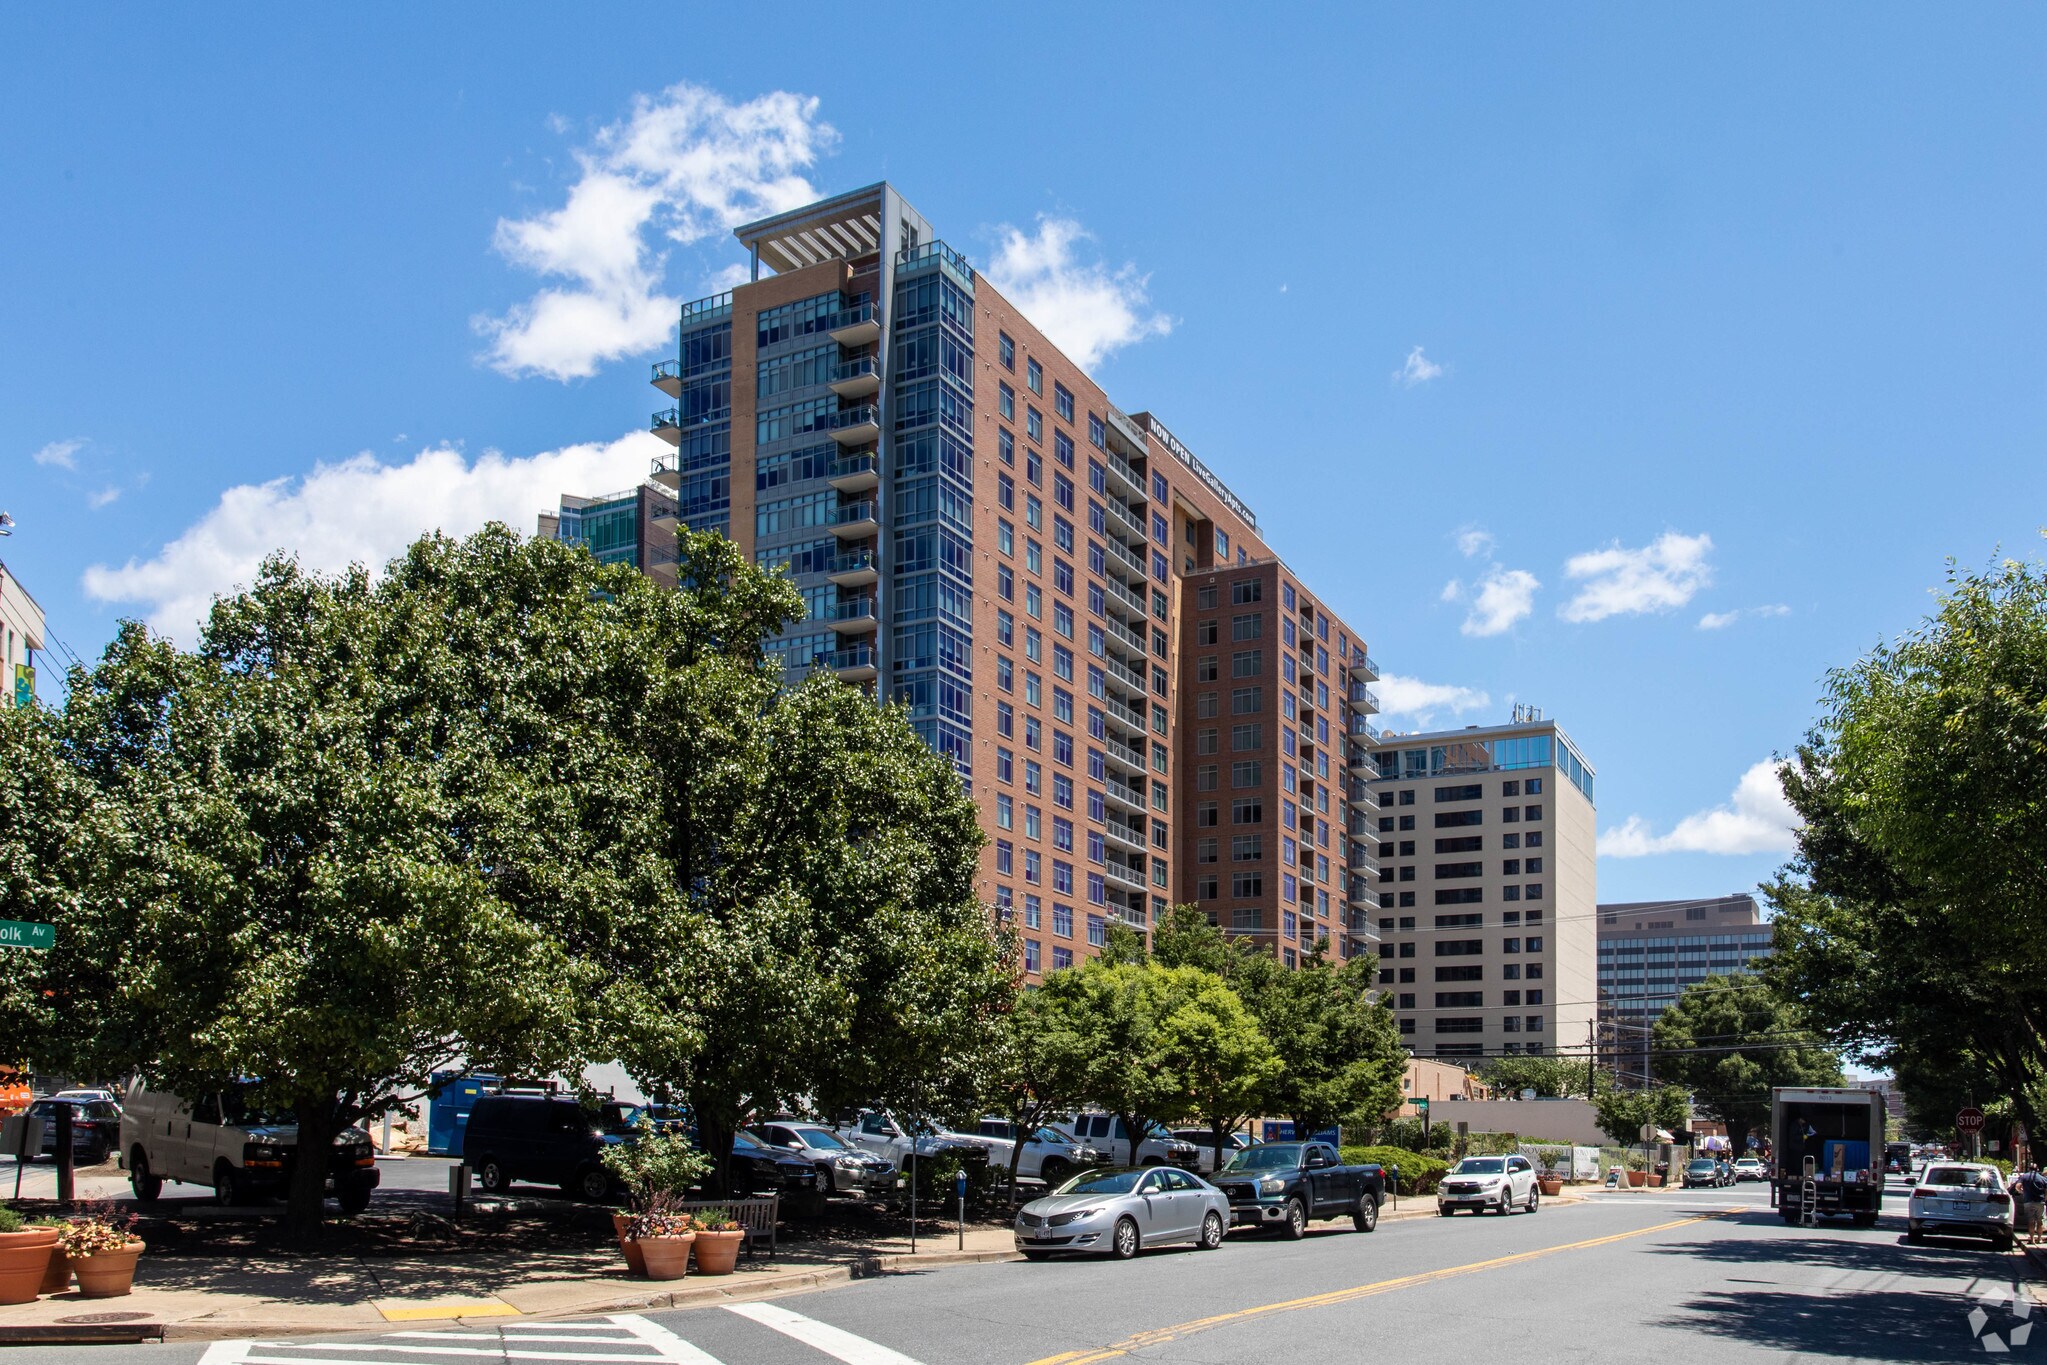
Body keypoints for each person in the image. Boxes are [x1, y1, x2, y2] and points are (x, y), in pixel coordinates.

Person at [2012, 1165, 2047, 1246]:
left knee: (2031, 1221)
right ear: (2037, 1169)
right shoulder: (2043, 1178)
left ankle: (2032, 1239)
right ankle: (2039, 1239)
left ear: (2029, 1169)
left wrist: (2022, 1192)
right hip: (2040, 1201)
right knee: (2040, 1221)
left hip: (2028, 1201)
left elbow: (2017, 1186)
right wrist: (2045, 1198)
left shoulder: (2024, 1176)